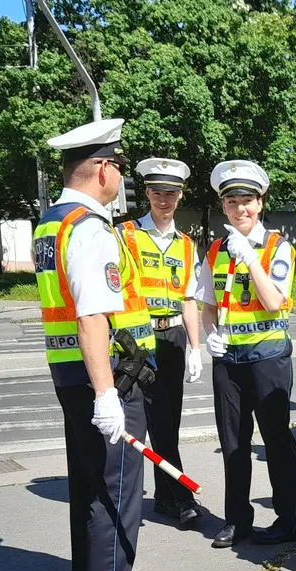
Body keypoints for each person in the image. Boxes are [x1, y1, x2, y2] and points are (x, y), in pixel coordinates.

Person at [34, 119, 177, 571]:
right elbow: (93, 316)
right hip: (107, 379)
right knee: (118, 492)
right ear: (101, 169)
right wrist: (107, 396)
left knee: (90, 484)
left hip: (70, 373)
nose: (120, 176)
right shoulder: (89, 228)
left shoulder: (52, 223)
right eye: (117, 166)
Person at [199, 160, 296, 549]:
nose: (240, 208)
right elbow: (209, 305)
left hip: (267, 356)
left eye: (247, 200)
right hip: (228, 359)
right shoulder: (214, 250)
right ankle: (237, 519)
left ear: (260, 203)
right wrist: (209, 335)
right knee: (233, 442)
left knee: (276, 439)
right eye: (232, 202)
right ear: (223, 207)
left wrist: (248, 256)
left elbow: (274, 300)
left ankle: (291, 519)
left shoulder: (278, 247)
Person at [118, 158, 203, 526]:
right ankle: (181, 497)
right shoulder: (126, 235)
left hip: (174, 338)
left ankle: (164, 500)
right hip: (138, 338)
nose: (163, 199)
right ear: (146, 193)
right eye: (156, 192)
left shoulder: (186, 244)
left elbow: (189, 299)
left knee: (170, 420)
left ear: (180, 195)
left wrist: (196, 347)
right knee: (153, 422)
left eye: (170, 193)